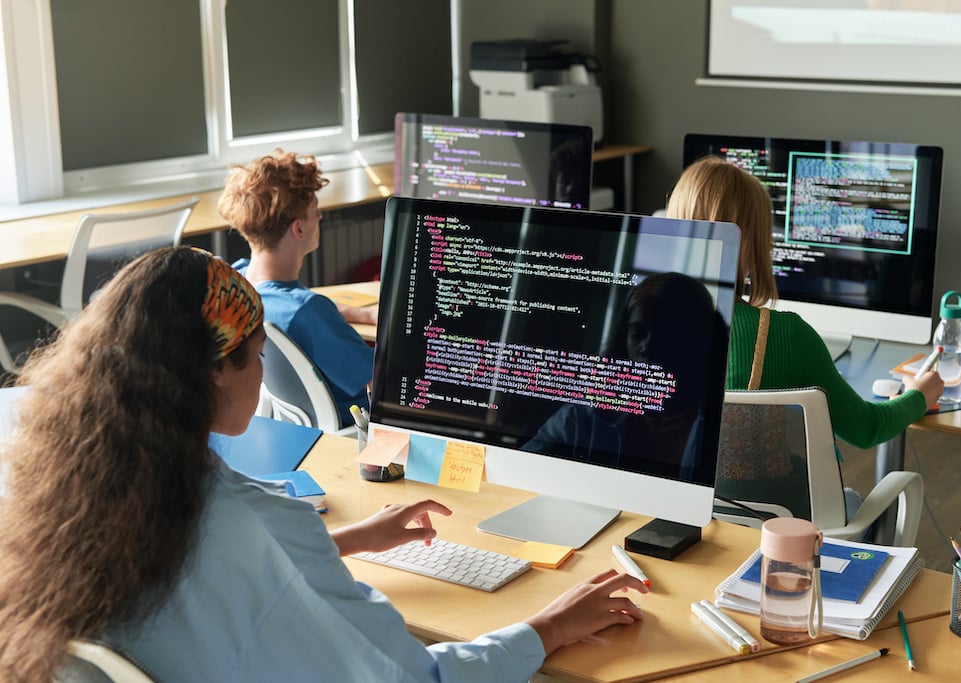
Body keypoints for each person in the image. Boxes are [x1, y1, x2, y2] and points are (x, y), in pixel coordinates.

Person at [0, 246, 646, 682]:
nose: (260, 374)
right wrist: (545, 627)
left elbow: (210, 575)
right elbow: (413, 679)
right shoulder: (252, 520)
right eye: (255, 355)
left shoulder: (73, 489)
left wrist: (339, 540)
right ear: (213, 372)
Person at [665, 157, 944, 450]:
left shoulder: (642, 322)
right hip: (769, 496)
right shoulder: (785, 335)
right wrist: (919, 396)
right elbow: (867, 429)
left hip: (667, 496)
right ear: (752, 242)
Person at [218, 149, 375, 426]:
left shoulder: (236, 282)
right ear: (299, 229)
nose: (320, 217)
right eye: (316, 211)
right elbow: (378, 379)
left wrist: (362, 314)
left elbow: (294, 306)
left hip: (293, 424)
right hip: (356, 425)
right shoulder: (308, 312)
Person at [524, 272, 728, 485]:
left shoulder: (721, 425)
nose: (647, 346)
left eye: (666, 334)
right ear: (624, 338)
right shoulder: (584, 416)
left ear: (696, 340)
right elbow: (524, 470)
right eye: (638, 333)